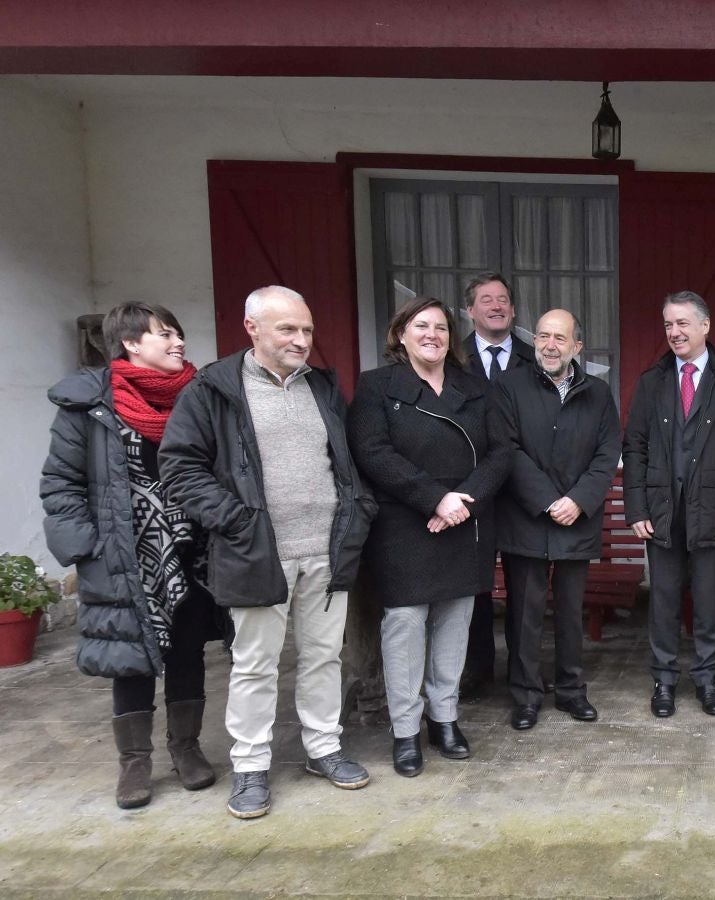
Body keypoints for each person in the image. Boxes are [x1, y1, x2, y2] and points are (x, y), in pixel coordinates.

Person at [161, 285, 376, 819]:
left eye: (306, 330)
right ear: (251, 327)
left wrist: (358, 511)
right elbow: (180, 469)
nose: (301, 340)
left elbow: (345, 462)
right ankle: (251, 766)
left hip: (326, 550)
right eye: (288, 329)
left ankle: (323, 748)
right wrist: (238, 522)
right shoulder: (213, 390)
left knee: (325, 657)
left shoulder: (322, 388)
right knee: (255, 665)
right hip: (256, 552)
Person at [41, 303, 226, 809]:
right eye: (165, 335)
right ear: (131, 344)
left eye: (179, 334)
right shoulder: (88, 404)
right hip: (124, 553)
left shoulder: (201, 397)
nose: (178, 343)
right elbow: (61, 482)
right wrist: (86, 548)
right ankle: (135, 763)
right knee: (130, 657)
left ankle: (186, 749)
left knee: (188, 649)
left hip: (191, 549)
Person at [346, 296, 512, 777]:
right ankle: (405, 730)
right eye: (422, 326)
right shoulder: (378, 387)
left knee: (455, 625)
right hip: (405, 527)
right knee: (404, 627)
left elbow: (501, 453)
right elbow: (373, 452)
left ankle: (445, 718)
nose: (433, 335)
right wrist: (434, 499)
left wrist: (463, 501)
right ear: (401, 334)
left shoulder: (474, 387)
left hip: (465, 522)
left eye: (441, 327)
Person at [623, 290, 715, 718]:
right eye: (668, 324)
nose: (674, 332)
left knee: (709, 601)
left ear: (705, 326)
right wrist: (637, 509)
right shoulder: (652, 382)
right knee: (662, 601)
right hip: (662, 511)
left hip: (713, 513)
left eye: (682, 323)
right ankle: (663, 681)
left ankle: (706, 679)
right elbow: (635, 448)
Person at [496, 309, 621, 730]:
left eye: (560, 338)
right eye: (543, 336)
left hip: (577, 520)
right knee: (524, 614)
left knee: (571, 613)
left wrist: (579, 500)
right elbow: (507, 450)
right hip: (527, 518)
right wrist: (549, 500)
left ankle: (570, 691)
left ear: (576, 347)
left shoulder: (599, 394)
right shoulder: (509, 386)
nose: (550, 345)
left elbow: (607, 455)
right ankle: (527, 696)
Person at [459, 272, 536, 699]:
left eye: (503, 299)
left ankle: (524, 674)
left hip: (521, 491)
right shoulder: (454, 359)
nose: (496, 306)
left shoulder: (532, 357)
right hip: (473, 490)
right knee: (475, 584)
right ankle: (477, 671)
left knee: (526, 588)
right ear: (469, 310)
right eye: (486, 300)